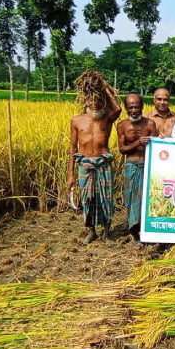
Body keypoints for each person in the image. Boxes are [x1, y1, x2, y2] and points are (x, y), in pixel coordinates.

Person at [67, 75, 122, 244]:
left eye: (99, 100)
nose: (95, 104)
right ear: (85, 101)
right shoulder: (77, 120)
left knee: (106, 197)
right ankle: (91, 231)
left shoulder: (107, 118)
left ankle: (106, 232)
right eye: (91, 100)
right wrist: (71, 174)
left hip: (103, 163)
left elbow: (118, 108)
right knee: (87, 198)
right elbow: (72, 147)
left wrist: (104, 87)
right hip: (84, 163)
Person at [117, 94, 158, 242]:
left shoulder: (150, 124)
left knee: (146, 199)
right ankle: (133, 230)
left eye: (136, 106)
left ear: (142, 107)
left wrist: (150, 143)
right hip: (131, 166)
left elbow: (157, 147)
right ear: (126, 108)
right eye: (130, 107)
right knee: (130, 198)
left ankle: (145, 230)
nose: (134, 110)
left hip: (147, 166)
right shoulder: (122, 125)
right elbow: (122, 149)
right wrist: (137, 143)